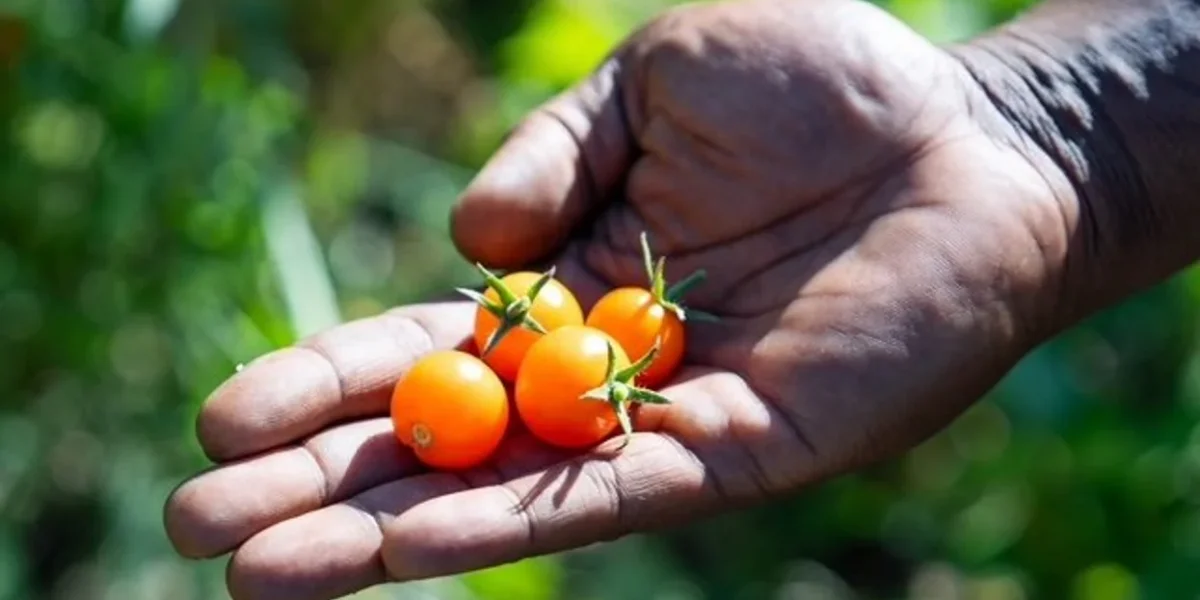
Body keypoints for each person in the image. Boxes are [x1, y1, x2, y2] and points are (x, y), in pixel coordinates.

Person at [161, 0, 1200, 598]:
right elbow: (507, 375)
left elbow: (546, 368)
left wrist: (1048, 125)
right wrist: (1059, 119)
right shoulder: (572, 348)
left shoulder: (606, 341)